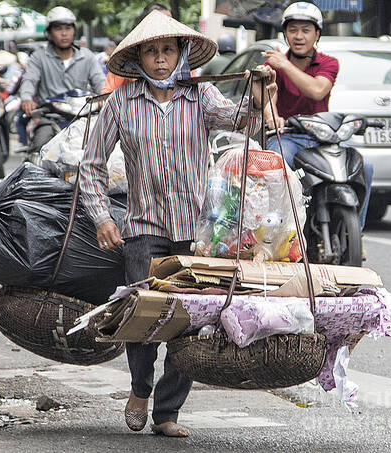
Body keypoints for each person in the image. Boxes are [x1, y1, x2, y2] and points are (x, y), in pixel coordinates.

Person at [79, 11, 276, 438]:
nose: (161, 59)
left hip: (196, 231)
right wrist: (101, 218)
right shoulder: (121, 103)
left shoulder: (200, 96)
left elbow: (240, 121)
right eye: (151, 51)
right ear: (138, 60)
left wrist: (258, 97)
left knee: (190, 321)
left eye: (168, 50)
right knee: (143, 315)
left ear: (182, 54)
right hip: (143, 226)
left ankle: (168, 411)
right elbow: (91, 165)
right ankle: (139, 388)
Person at [263, 1, 373, 230]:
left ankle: (356, 231)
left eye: (306, 30)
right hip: (288, 137)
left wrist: (285, 65)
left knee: (367, 166)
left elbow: (317, 90)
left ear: (317, 34)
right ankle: (276, 230)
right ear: (285, 34)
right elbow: (267, 98)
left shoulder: (328, 63)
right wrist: (272, 117)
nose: (299, 36)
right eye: (293, 30)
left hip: (323, 138)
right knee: (275, 161)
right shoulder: (272, 64)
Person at [16, 6, 105, 150]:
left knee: (105, 148)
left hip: (82, 118)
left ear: (74, 31)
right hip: (50, 117)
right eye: (58, 29)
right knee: (40, 145)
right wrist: (27, 98)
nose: (64, 33)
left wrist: (104, 98)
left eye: (68, 28)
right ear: (49, 33)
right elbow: (29, 80)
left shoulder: (87, 56)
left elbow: (101, 83)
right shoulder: (39, 57)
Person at [101, 2, 172, 94]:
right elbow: (107, 95)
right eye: (151, 51)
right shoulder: (125, 58)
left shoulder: (181, 57)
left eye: (171, 22)